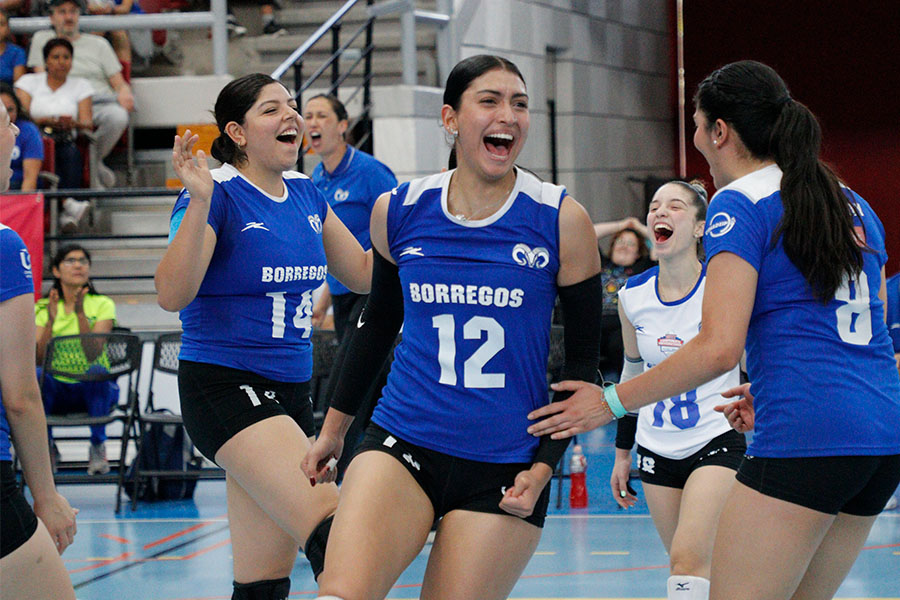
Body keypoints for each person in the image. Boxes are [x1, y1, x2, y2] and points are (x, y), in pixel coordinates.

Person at [528, 60, 900, 600]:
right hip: (881, 436)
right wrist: (772, 386)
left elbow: (719, 347)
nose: (697, 138)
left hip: (807, 434)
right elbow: (869, 334)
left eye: (698, 126)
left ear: (719, 131)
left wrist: (610, 402)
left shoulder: (740, 202)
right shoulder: (854, 202)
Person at [301, 54, 603, 600]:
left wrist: (544, 469)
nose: (507, 115)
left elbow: (584, 367)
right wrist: (334, 430)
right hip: (403, 441)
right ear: (450, 119)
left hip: (506, 465)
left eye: (519, 103)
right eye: (489, 101)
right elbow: (376, 327)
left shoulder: (561, 219)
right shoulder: (400, 209)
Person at [154, 73, 372, 598]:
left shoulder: (305, 193)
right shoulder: (218, 194)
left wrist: (434, 231)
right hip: (227, 388)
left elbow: (363, 274)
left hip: (291, 395)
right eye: (272, 109)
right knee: (341, 534)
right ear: (238, 131)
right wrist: (201, 199)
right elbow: (171, 294)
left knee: (263, 585)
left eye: (293, 106)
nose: (292, 117)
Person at [610, 179, 745, 599]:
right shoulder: (632, 296)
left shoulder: (722, 289)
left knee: (688, 559)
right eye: (654, 206)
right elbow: (632, 374)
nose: (659, 213)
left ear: (702, 227)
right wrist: (621, 452)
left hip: (715, 438)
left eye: (675, 206)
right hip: (656, 447)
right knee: (693, 569)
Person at [0, 98, 78, 600]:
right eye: (7, 123)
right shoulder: (5, 245)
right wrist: (46, 496)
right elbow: (19, 392)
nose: (15, 134)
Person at [304, 93, 397, 478]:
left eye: (322, 115)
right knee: (369, 391)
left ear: (343, 126)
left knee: (344, 389)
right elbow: (333, 250)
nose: (312, 123)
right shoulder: (315, 180)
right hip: (342, 298)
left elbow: (398, 225)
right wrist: (324, 300)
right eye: (307, 115)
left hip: (375, 295)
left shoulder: (371, 172)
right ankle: (378, 478)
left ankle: (341, 479)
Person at [27, 0, 134, 188]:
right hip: (62, 100)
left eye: (73, 12)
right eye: (62, 12)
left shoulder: (99, 44)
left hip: (99, 101)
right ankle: (92, 169)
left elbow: (119, 83)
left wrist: (125, 93)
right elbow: (41, 77)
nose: (68, 17)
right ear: (51, 17)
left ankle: (92, 162)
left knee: (118, 115)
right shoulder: (41, 39)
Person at [35, 243, 119, 475]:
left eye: (83, 261)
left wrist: (81, 313)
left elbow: (93, 353)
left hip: (91, 391)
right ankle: (46, 448)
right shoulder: (43, 307)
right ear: (56, 271)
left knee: (97, 369)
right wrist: (51, 320)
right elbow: (39, 358)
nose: (78, 266)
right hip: (57, 390)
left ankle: (97, 445)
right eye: (70, 261)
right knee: (37, 376)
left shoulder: (102, 304)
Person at [15, 38, 92, 191]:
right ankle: (56, 204)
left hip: (65, 137)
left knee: (70, 154)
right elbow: (21, 116)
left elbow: (87, 122)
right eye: (55, 57)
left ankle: (69, 203)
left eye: (66, 57)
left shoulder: (82, 85)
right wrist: (43, 121)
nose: (61, 62)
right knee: (43, 151)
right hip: (35, 137)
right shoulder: (28, 82)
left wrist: (72, 124)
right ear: (46, 61)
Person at [592, 218, 655, 381]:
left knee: (619, 345)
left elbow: (658, 243)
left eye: (631, 244)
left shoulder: (642, 267)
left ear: (638, 253)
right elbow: (590, 233)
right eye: (620, 241)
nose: (624, 246)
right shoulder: (600, 263)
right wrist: (621, 225)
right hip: (596, 322)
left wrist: (638, 227)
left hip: (622, 326)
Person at [0, 82, 43, 191]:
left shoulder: (28, 131)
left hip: (17, 190)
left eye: (10, 110)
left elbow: (30, 177)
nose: (7, 116)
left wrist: (21, 204)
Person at [0, 9, 26, 85]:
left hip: (9, 95)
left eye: (1, 24)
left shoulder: (17, 52)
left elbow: (18, 85)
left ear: (8, 29)